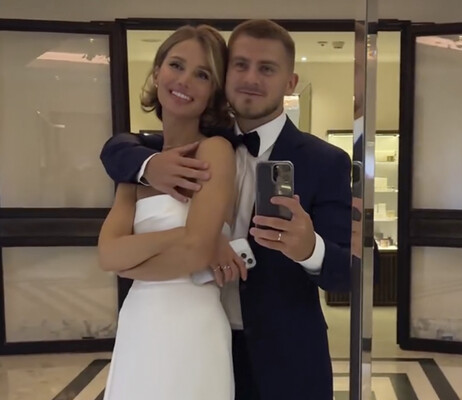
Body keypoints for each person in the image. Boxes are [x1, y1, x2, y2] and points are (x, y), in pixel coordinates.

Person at [100, 19, 352, 400]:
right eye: (240, 65)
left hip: (285, 360)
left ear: (290, 82)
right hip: (196, 341)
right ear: (225, 76)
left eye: (267, 68)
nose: (251, 78)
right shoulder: (186, 146)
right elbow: (116, 150)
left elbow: (352, 272)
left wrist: (310, 248)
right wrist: (148, 166)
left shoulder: (325, 162)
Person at [98, 25, 246, 400]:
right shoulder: (139, 165)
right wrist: (185, 235)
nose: (184, 81)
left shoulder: (214, 151)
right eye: (176, 65)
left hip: (192, 325)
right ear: (157, 71)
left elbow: (195, 253)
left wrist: (132, 262)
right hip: (138, 322)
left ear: (213, 92)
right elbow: (108, 254)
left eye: (202, 74)